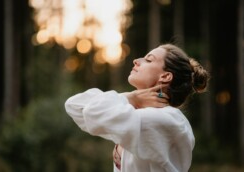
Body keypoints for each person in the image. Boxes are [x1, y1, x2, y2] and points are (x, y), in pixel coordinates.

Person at [64, 43, 210, 172]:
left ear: (165, 77)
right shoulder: (139, 116)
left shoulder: (168, 120)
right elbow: (73, 105)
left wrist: (129, 98)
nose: (136, 60)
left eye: (148, 59)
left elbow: (92, 112)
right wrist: (131, 97)